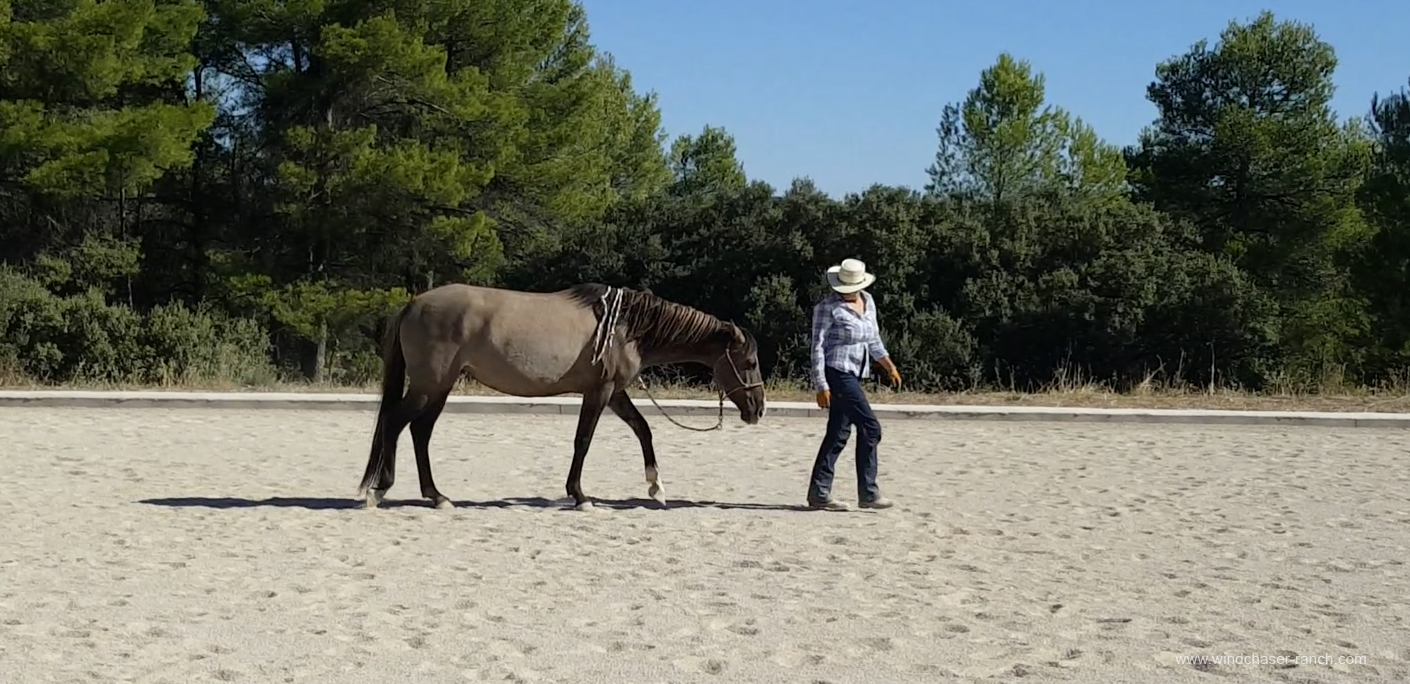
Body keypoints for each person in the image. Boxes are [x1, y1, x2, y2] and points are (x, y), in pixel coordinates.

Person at [806, 258, 901, 511]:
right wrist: (821, 385)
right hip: (837, 372)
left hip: (857, 372)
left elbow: (873, 339)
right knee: (871, 428)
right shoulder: (827, 308)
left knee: (838, 433)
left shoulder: (868, 302)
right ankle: (868, 492)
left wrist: (888, 365)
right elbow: (817, 348)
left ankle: (819, 492)